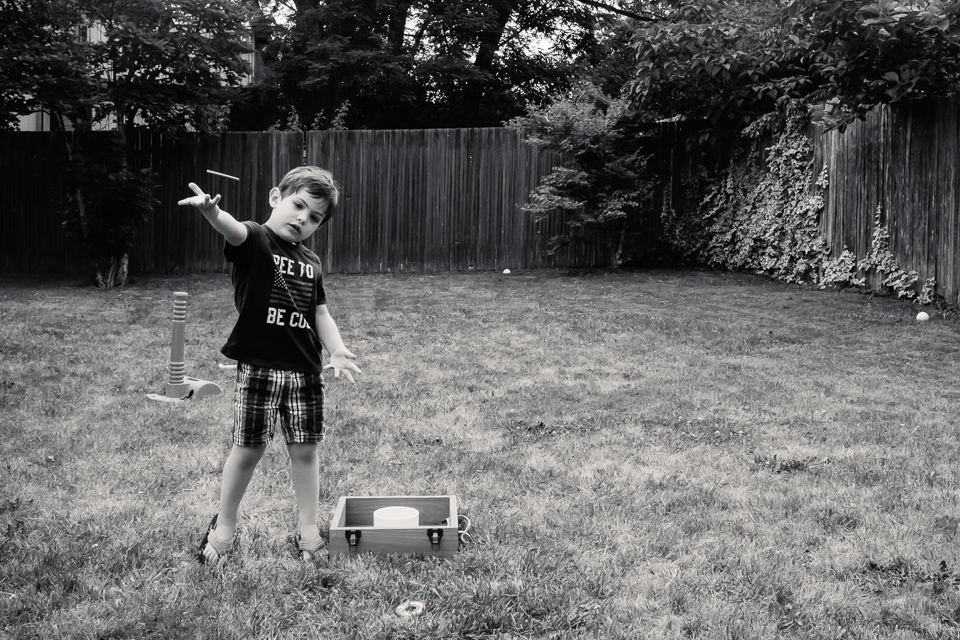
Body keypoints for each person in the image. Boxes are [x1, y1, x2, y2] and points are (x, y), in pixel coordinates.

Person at [178, 166, 362, 565]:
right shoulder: (257, 241)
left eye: (314, 217)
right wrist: (211, 212)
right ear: (275, 197)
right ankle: (224, 528)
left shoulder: (311, 261)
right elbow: (233, 230)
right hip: (259, 367)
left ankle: (309, 530)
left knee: (306, 451)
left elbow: (321, 314)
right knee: (247, 450)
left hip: (305, 372)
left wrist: (337, 350)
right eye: (298, 206)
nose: (302, 219)